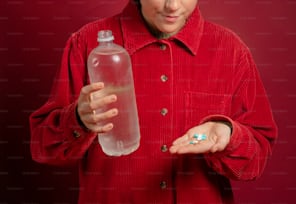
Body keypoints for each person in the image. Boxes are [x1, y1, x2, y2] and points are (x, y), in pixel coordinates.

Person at [30, 0, 278, 203]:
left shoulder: (231, 51)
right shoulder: (86, 43)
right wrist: (78, 120)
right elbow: (43, 147)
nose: (172, 6)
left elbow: (257, 160)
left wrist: (230, 137)